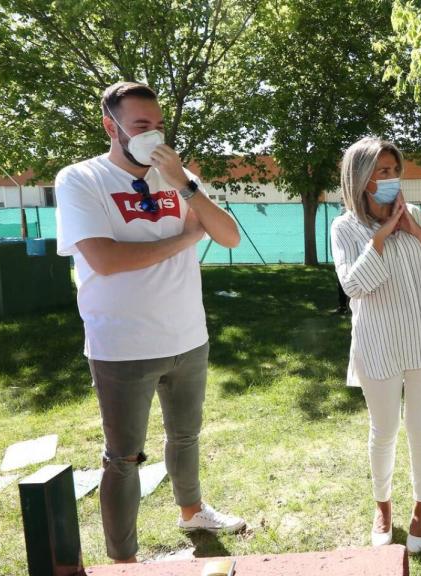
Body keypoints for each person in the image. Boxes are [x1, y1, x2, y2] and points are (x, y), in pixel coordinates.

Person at [54, 81, 245, 564]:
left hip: (187, 335)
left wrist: (184, 185)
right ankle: (124, 560)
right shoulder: (80, 179)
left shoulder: (180, 177)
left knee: (185, 435)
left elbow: (228, 237)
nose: (151, 135)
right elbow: (105, 259)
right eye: (140, 126)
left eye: (156, 125)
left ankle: (192, 510)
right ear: (110, 126)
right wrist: (184, 239)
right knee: (123, 458)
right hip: (121, 343)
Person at [330, 136, 421, 555]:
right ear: (360, 178)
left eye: (393, 170)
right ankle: (382, 507)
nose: (390, 178)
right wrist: (381, 237)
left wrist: (413, 230)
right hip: (377, 344)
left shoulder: (415, 214)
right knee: (383, 430)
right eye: (381, 172)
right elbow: (354, 286)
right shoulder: (344, 227)